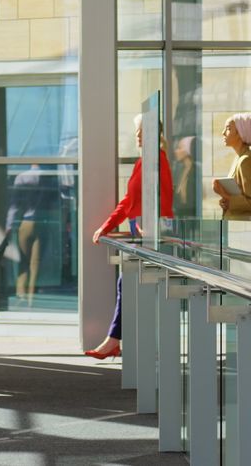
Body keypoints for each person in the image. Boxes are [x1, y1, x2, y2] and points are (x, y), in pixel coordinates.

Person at [87, 115, 174, 359]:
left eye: (141, 130)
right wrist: (106, 226)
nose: (137, 135)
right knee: (128, 283)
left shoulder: (158, 161)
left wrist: (156, 229)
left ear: (153, 133)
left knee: (130, 283)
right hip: (140, 230)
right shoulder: (142, 162)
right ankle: (118, 342)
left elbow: (165, 199)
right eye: (136, 130)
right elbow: (128, 201)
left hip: (150, 234)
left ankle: (117, 342)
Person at [3, 164, 57, 307]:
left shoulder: (21, 177)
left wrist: (9, 225)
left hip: (26, 223)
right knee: (35, 264)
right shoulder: (49, 178)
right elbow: (54, 204)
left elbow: (14, 205)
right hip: (43, 223)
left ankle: (21, 295)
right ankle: (32, 299)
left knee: (23, 261)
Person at [213, 113, 251, 221]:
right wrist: (227, 202)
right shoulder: (239, 159)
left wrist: (225, 195)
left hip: (248, 228)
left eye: (228, 129)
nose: (223, 132)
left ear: (241, 133)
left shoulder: (247, 160)